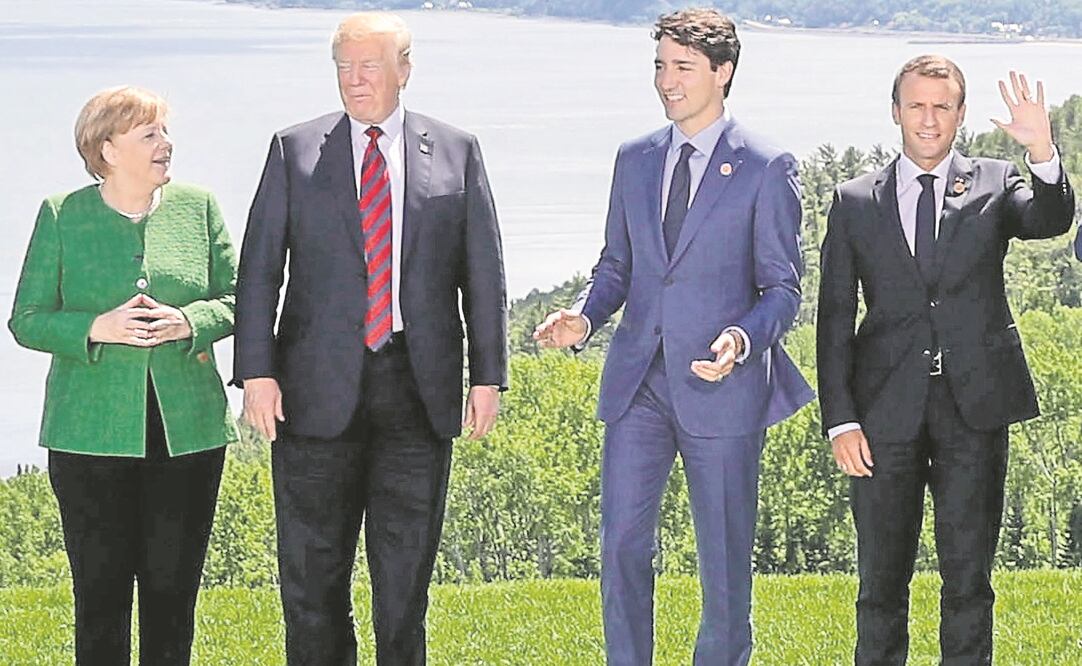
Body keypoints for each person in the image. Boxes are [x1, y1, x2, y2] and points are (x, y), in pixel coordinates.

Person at [534, 9, 813, 665]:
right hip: (639, 385)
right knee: (623, 546)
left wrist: (741, 342)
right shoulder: (634, 160)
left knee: (723, 567)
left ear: (723, 72)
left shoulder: (768, 167)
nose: (667, 81)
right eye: (660, 65)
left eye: (682, 67)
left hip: (722, 389)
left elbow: (783, 289)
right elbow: (617, 266)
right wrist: (584, 315)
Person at [233, 11, 508, 665]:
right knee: (309, 588)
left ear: (404, 70)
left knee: (404, 590)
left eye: (370, 66)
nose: (355, 81)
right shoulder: (292, 149)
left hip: (419, 392)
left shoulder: (456, 148)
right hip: (311, 395)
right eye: (344, 68)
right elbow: (259, 270)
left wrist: (488, 376)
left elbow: (483, 271)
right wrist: (256, 373)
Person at [817, 57, 1074, 665]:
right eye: (916, 105)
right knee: (880, 587)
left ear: (959, 114)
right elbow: (832, 318)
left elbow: (1050, 219)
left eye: (942, 106)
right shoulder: (854, 201)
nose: (928, 119)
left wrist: (1043, 152)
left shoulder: (993, 181)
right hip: (881, 417)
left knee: (968, 584)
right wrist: (840, 418)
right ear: (895, 112)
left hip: (974, 410)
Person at [7, 85, 238, 665]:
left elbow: (240, 299)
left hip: (188, 434)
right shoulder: (61, 214)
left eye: (165, 133)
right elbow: (26, 320)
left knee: (172, 594)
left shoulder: (199, 206)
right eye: (151, 135)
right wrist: (96, 328)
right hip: (88, 437)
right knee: (100, 596)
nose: (167, 145)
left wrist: (190, 320)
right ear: (107, 149)